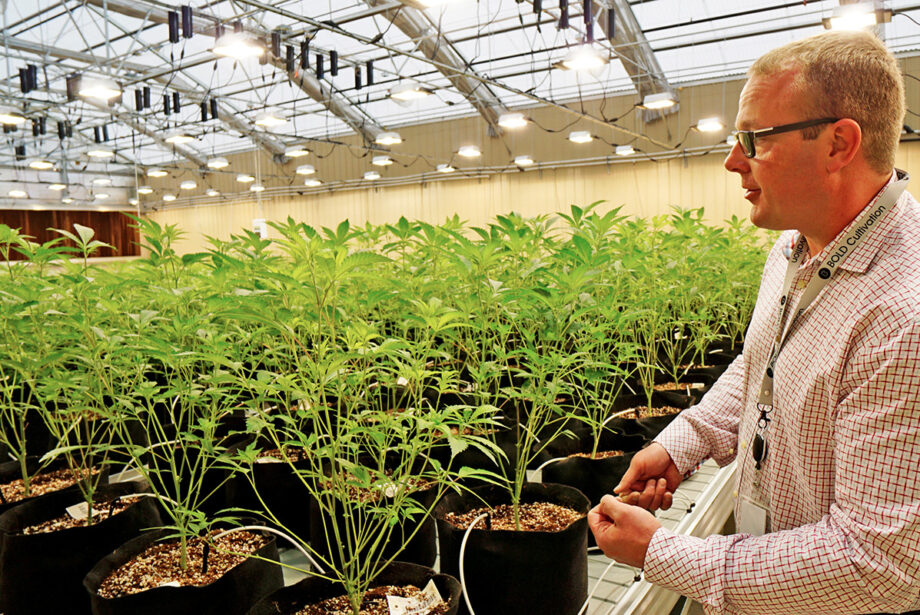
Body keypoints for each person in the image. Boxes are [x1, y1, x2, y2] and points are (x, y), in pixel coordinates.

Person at [588, 30, 920, 615]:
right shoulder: (794, 249)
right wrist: (682, 443)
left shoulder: (902, 315)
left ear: (838, 144)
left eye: (753, 139)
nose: (732, 160)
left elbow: (877, 563)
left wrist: (664, 553)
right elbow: (762, 362)